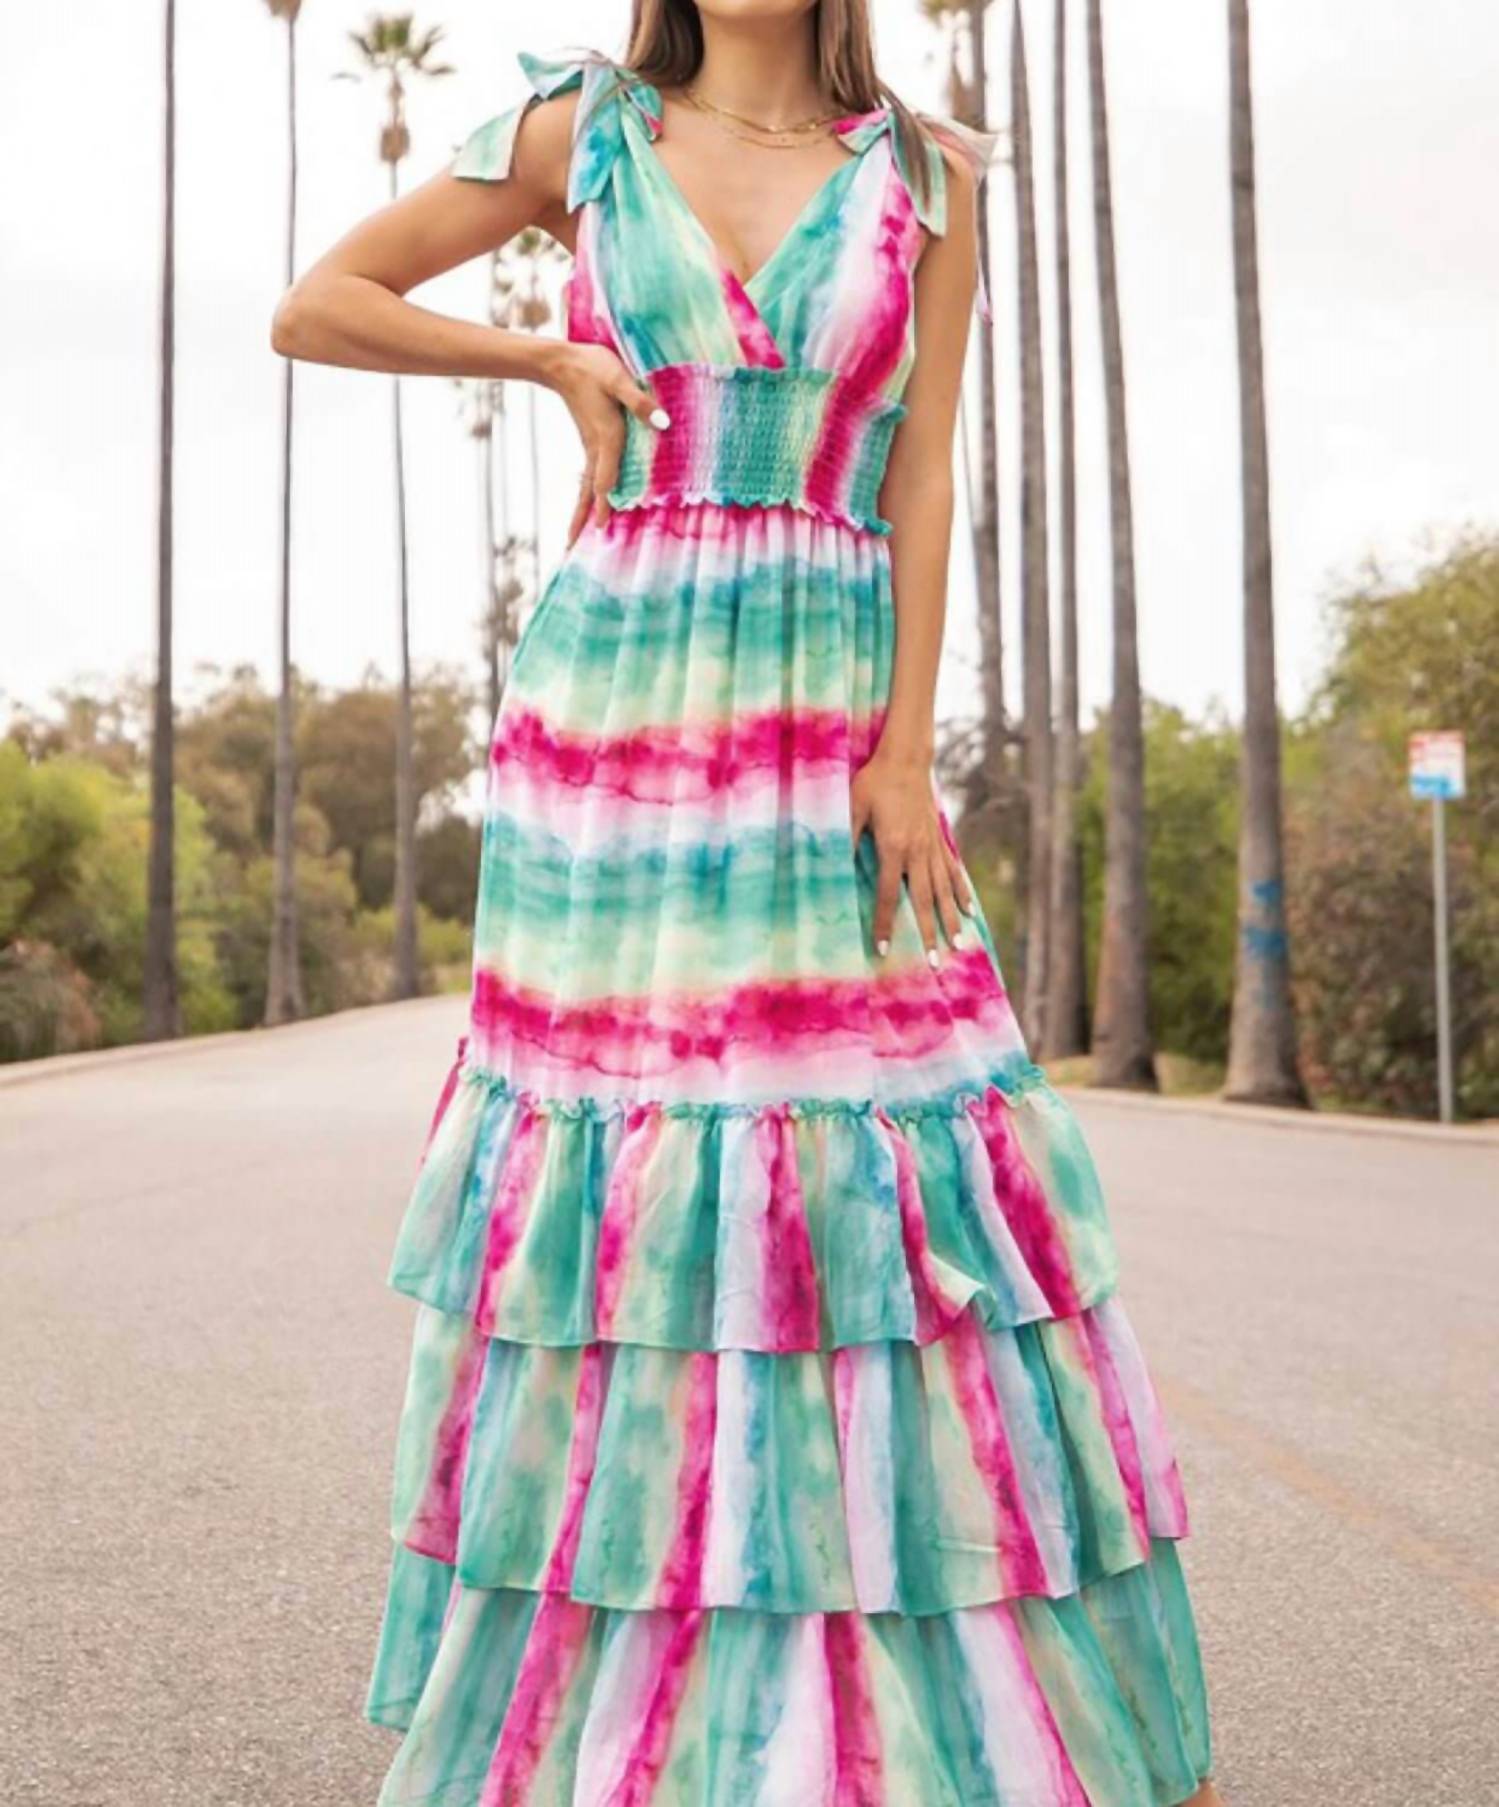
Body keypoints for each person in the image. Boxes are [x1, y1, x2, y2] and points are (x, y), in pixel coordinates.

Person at [274, 2, 1223, 1801]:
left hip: (831, 704)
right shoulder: (577, 132)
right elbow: (319, 304)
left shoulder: (928, 177)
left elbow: (925, 470)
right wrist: (543, 361)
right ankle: (621, 1735)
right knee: (631, 1196)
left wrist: (903, 750)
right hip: (615, 726)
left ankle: (919, 1722)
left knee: (894, 1161)